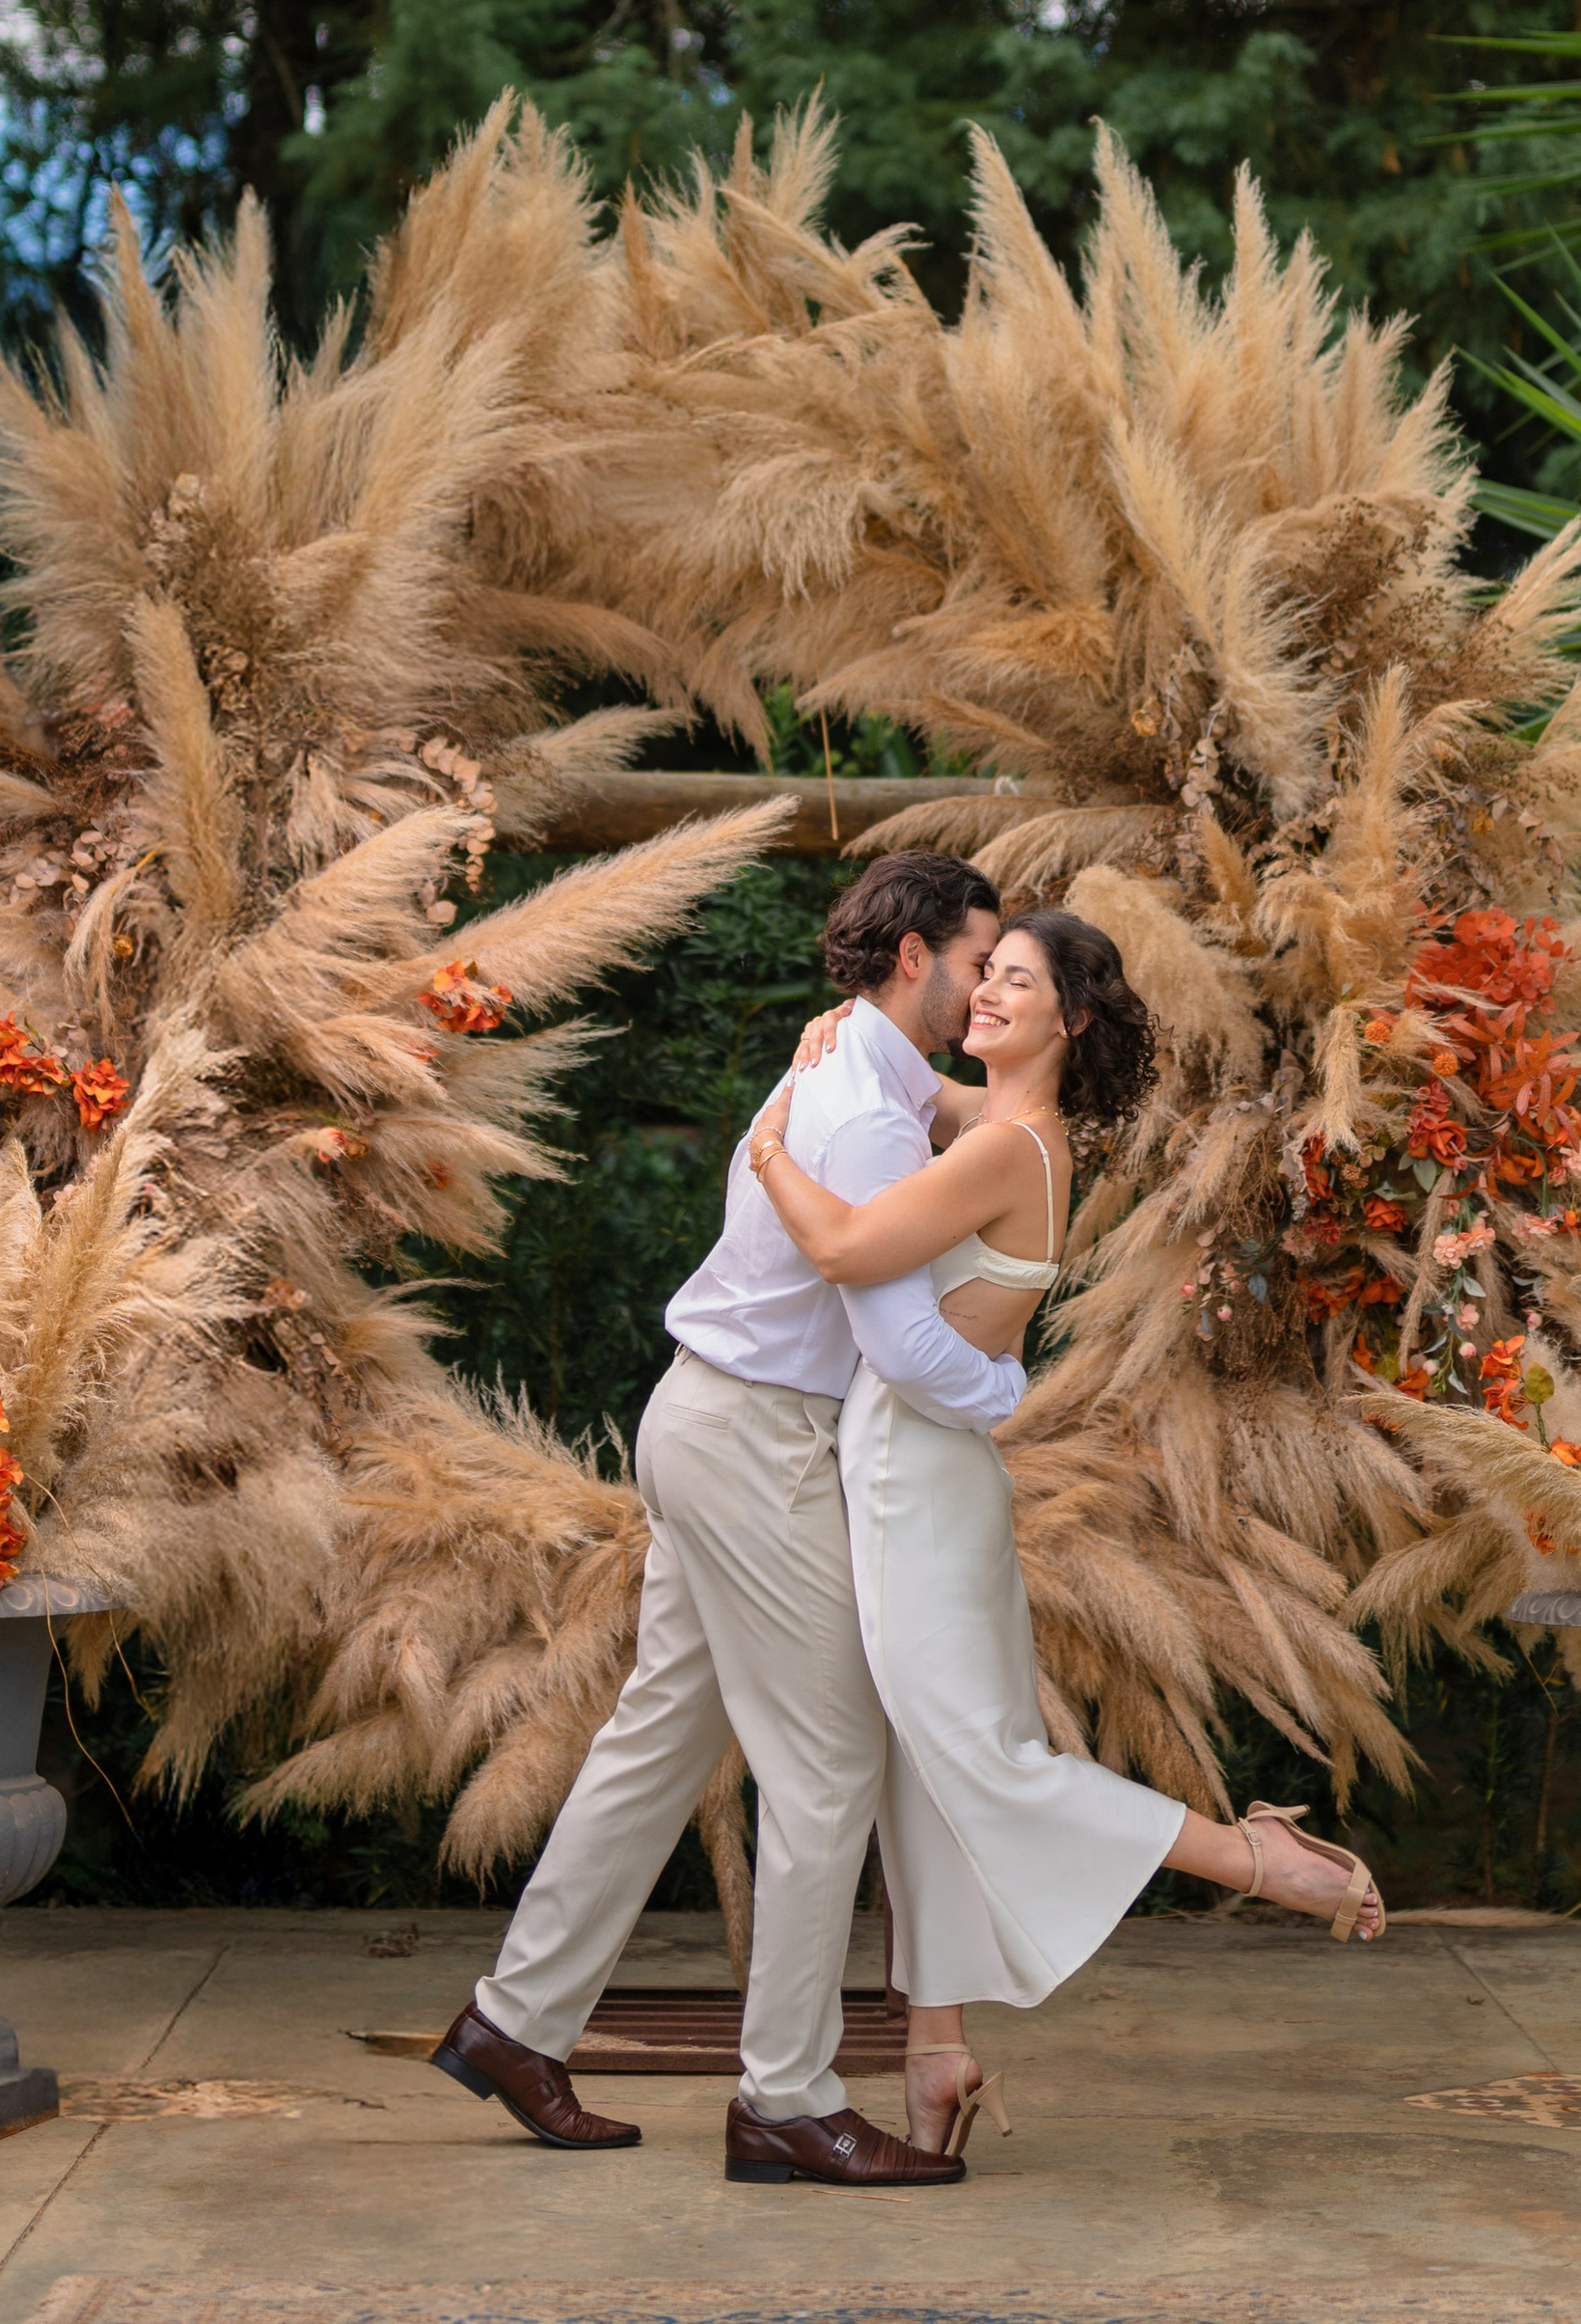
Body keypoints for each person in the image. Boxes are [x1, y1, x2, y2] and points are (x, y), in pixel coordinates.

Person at [746, 907, 1384, 2157]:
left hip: (911, 1479)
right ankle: (938, 2055)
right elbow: (906, 1077)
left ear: (1069, 1020)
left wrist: (769, 1144)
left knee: (984, 1763)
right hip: (934, 1470)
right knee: (927, 1768)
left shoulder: (1005, 1149)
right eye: (986, 974)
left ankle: (1256, 1859)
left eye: (1016, 984)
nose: (984, 993)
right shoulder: (1006, 1129)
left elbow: (842, 1246)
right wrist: (837, 1034)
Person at [434, 853, 1023, 2190]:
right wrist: (1003, 1390)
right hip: (758, 1439)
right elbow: (897, 1333)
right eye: (978, 961)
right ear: (914, 956)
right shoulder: (859, 1113)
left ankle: (515, 2023)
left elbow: (979, 1108)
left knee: (663, 1735)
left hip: (711, 1417)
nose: (987, 986)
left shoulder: (856, 1066)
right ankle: (787, 2099)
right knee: (828, 1763)